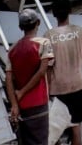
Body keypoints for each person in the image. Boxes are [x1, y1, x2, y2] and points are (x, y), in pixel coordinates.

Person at [47, 0, 82, 145]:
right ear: (70, 11)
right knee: (76, 125)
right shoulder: (81, 31)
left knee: (55, 127)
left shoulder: (48, 36)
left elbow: (48, 67)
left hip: (57, 87)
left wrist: (47, 90)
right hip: (77, 85)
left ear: (54, 14)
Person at [6, 9, 54, 145]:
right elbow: (42, 71)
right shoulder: (43, 43)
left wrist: (14, 104)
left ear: (20, 27)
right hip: (39, 103)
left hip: (22, 107)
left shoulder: (12, 49)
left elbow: (8, 79)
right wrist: (23, 91)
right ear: (38, 22)